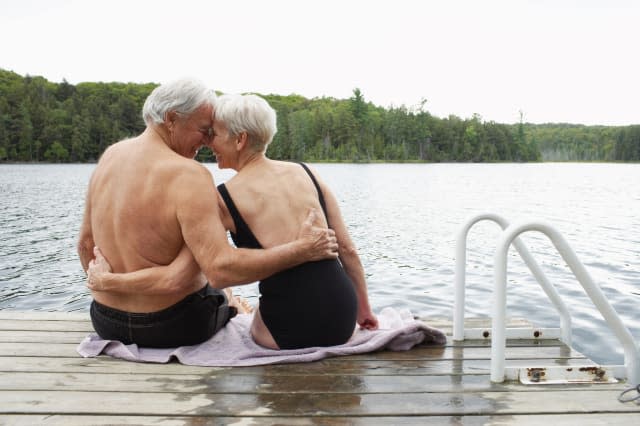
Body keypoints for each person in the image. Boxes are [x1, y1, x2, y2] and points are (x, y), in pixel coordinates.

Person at [88, 93, 378, 350]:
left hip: (288, 331)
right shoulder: (308, 172)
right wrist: (364, 311)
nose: (207, 142)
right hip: (343, 320)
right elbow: (348, 249)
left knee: (237, 306)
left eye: (214, 134)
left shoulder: (222, 198)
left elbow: (211, 270)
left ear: (239, 140)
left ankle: (238, 309)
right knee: (227, 291)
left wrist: (110, 280)